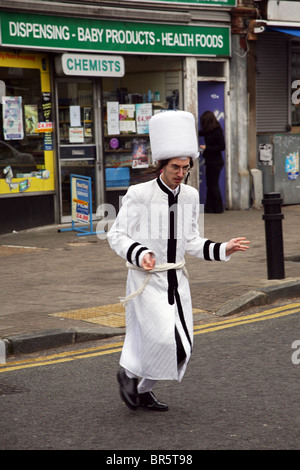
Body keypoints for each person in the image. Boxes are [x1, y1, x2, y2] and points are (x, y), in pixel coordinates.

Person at [107, 110, 249, 412]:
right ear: (162, 165)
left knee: (183, 349)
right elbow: (116, 235)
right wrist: (140, 253)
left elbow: (192, 241)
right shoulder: (139, 194)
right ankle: (129, 374)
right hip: (147, 281)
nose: (180, 172)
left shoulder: (189, 196)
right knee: (160, 341)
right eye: (175, 166)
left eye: (185, 167)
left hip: (177, 282)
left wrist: (224, 248)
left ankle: (140, 387)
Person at [199, 110, 225, 213]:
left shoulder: (217, 131)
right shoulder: (208, 131)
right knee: (210, 185)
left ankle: (218, 208)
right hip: (211, 161)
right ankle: (209, 208)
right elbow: (200, 133)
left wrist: (207, 147)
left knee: (213, 185)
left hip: (216, 162)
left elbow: (222, 146)